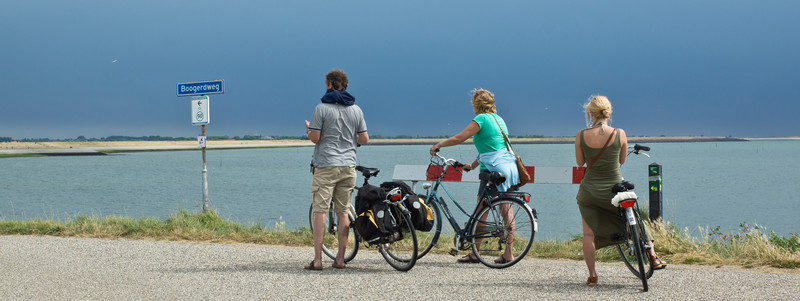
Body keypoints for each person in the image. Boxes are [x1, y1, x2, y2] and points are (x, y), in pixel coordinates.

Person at [575, 95, 667, 286]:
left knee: (588, 234)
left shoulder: (581, 135)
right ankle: (652, 254)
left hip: (590, 192)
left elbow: (580, 162)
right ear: (609, 112)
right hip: (614, 190)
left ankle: (592, 275)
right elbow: (622, 160)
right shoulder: (620, 134)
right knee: (636, 216)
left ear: (590, 113)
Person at [428, 89, 519, 264]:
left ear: (476, 104)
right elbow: (491, 148)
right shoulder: (499, 120)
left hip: (492, 171)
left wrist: (439, 145)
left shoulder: (481, 119)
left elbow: (460, 138)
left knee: (481, 211)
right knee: (507, 212)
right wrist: (472, 165)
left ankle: (475, 252)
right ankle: (508, 254)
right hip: (509, 169)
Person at [304, 69, 369, 270]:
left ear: (330, 84)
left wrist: (308, 130)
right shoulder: (356, 110)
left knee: (321, 212)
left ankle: (317, 260)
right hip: (348, 166)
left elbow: (315, 138)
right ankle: (340, 258)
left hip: (325, 166)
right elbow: (364, 139)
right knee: (343, 213)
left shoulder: (321, 108)